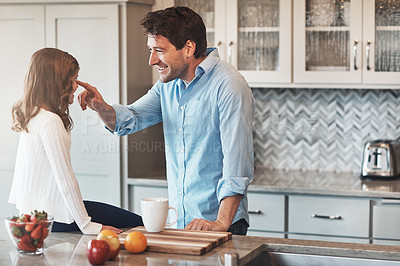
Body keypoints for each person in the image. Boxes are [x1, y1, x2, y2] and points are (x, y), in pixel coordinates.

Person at [78, 6, 254, 235]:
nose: (152, 60)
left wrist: (221, 223)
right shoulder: (167, 86)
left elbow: (237, 163)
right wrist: (101, 108)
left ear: (189, 48)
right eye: (151, 50)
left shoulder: (228, 85)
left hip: (218, 225)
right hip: (180, 222)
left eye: (159, 50)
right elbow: (130, 119)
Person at [9, 48, 142, 235]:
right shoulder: (50, 121)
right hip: (54, 218)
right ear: (58, 84)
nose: (76, 86)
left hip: (36, 216)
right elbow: (65, 179)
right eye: (72, 81)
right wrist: (88, 225)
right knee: (140, 222)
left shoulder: (34, 116)